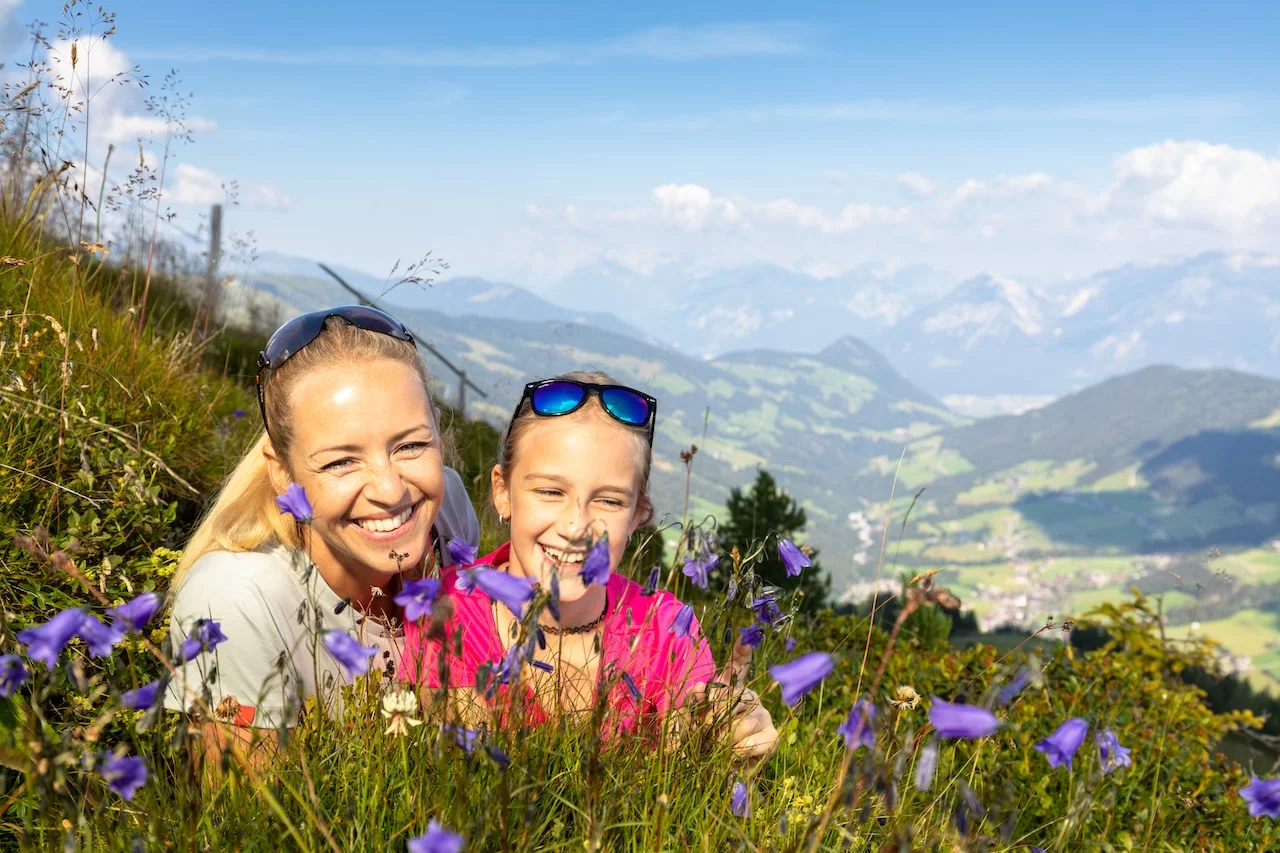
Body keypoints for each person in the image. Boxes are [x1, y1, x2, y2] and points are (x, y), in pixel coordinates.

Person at [401, 371, 777, 762]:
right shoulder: (445, 609)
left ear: (637, 516)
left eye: (610, 501)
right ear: (502, 492)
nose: (576, 526)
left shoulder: (667, 631)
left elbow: (691, 774)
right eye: (549, 492)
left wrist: (730, 746)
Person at [163, 306, 480, 767]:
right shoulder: (237, 601)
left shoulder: (446, 508)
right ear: (282, 471)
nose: (391, 491)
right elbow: (251, 825)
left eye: (411, 445)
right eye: (340, 462)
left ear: (436, 427)